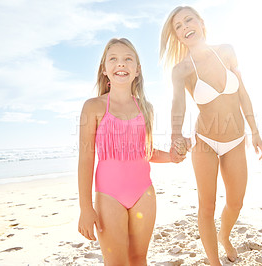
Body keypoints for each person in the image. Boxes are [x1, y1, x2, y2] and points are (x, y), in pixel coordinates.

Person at [160, 6, 262, 265]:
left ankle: (224, 237)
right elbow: (178, 104)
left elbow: (242, 93)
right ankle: (213, 261)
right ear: (176, 36)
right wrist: (176, 134)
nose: (185, 27)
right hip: (205, 141)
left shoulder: (226, 51)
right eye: (178, 26)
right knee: (206, 207)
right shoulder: (181, 70)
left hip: (235, 140)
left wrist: (255, 132)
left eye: (189, 20)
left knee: (236, 202)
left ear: (201, 23)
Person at [78, 38, 185, 265]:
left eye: (128, 59)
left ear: (137, 70)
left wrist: (172, 157)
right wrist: (86, 208)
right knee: (116, 262)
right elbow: (86, 159)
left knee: (138, 259)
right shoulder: (93, 106)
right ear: (104, 70)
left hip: (144, 194)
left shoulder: (146, 108)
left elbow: (146, 152)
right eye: (113, 59)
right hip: (109, 196)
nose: (121, 64)